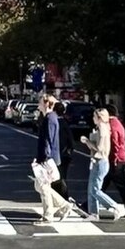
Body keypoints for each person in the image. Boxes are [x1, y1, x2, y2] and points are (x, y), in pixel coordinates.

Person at [32, 94, 73, 224]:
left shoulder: (50, 118)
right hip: (47, 157)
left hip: (47, 158)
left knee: (43, 187)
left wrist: (43, 158)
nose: (38, 105)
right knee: (39, 186)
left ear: (46, 104)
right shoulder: (50, 117)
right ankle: (64, 205)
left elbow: (48, 140)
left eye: (39, 102)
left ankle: (48, 215)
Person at [79, 108, 121, 220]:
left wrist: (87, 141)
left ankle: (113, 206)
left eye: (94, 116)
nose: (92, 118)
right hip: (98, 161)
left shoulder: (102, 128)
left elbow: (99, 148)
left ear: (99, 117)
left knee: (95, 189)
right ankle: (93, 213)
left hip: (100, 161)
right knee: (91, 188)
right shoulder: (103, 127)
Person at [102, 103, 125, 218]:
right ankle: (89, 205)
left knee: (118, 185)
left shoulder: (111, 125)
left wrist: (114, 158)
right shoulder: (118, 123)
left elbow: (114, 142)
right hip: (119, 157)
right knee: (103, 184)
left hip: (115, 159)